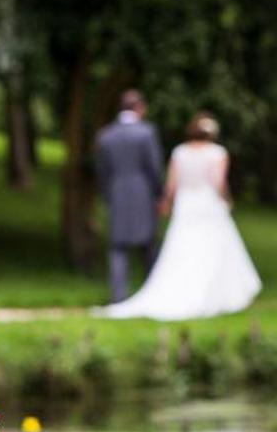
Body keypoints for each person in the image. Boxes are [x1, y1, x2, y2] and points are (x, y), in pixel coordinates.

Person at [99, 112, 261, 321]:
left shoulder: (180, 152)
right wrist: (226, 199)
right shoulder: (217, 153)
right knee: (210, 249)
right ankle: (212, 293)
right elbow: (217, 182)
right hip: (207, 204)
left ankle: (176, 289)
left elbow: (171, 184)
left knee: (182, 248)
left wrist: (165, 202)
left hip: (186, 206)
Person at [94, 89, 164, 303]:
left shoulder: (106, 135)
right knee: (148, 247)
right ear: (140, 108)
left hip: (116, 195)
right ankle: (154, 293)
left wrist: (107, 195)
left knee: (117, 248)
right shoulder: (146, 133)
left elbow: (102, 171)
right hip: (142, 195)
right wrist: (159, 194)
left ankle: (118, 297)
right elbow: (154, 167)